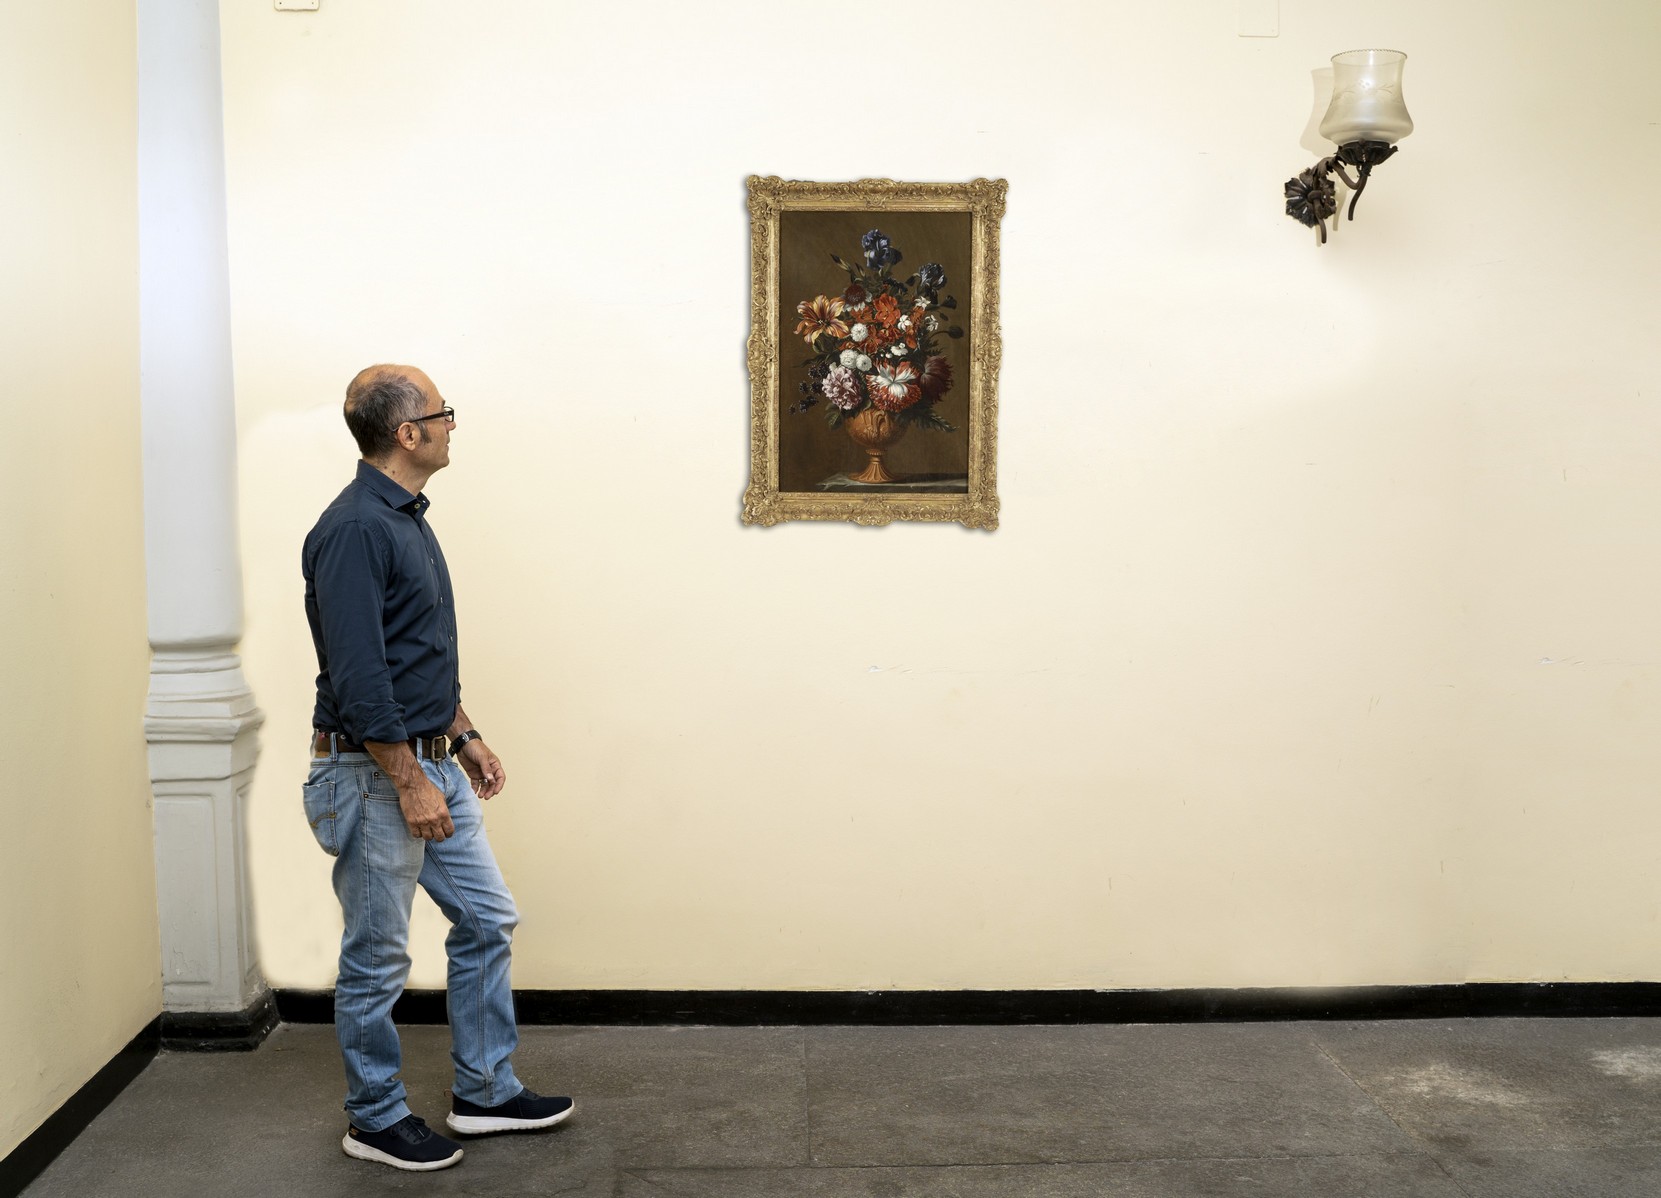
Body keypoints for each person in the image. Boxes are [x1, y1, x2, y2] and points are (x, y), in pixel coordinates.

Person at [301, 364, 573, 1172]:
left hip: (425, 762)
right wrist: (410, 780)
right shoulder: (356, 529)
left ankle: (484, 1092)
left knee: (487, 919)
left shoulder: (404, 518)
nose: (453, 424)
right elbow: (360, 676)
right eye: (443, 412)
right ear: (407, 432)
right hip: (374, 776)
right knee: (378, 954)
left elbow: (414, 655)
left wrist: (462, 734)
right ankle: (374, 1118)